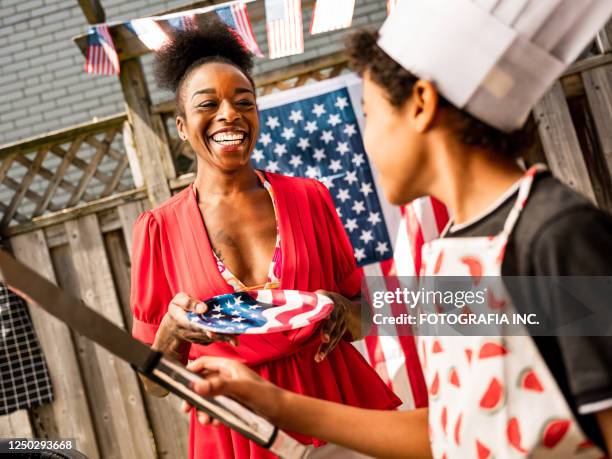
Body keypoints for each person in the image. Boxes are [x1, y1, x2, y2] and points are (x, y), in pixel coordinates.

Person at [182, 1, 612, 458]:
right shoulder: (451, 248)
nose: (367, 140)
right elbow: (449, 429)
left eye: (371, 115)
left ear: (421, 105)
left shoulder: (557, 237)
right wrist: (271, 401)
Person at [129, 16, 400, 459]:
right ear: (181, 127)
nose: (229, 114)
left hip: (335, 405)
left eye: (244, 101)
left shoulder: (309, 197)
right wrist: (170, 335)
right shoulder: (158, 230)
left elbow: (363, 321)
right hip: (238, 428)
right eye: (207, 104)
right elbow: (151, 383)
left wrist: (337, 308)